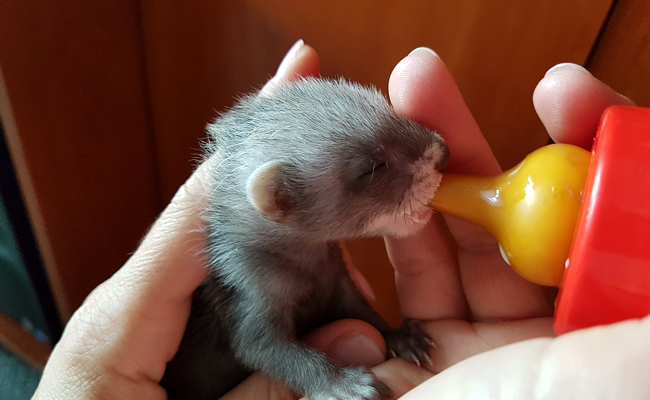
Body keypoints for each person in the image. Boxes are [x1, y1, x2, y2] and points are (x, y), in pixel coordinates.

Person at [32, 41, 649, 400]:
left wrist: (388, 332)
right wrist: (325, 383)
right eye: (369, 168)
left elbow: (339, 297)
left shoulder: (304, 237)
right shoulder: (245, 270)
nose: (432, 147)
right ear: (282, 202)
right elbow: (259, 342)